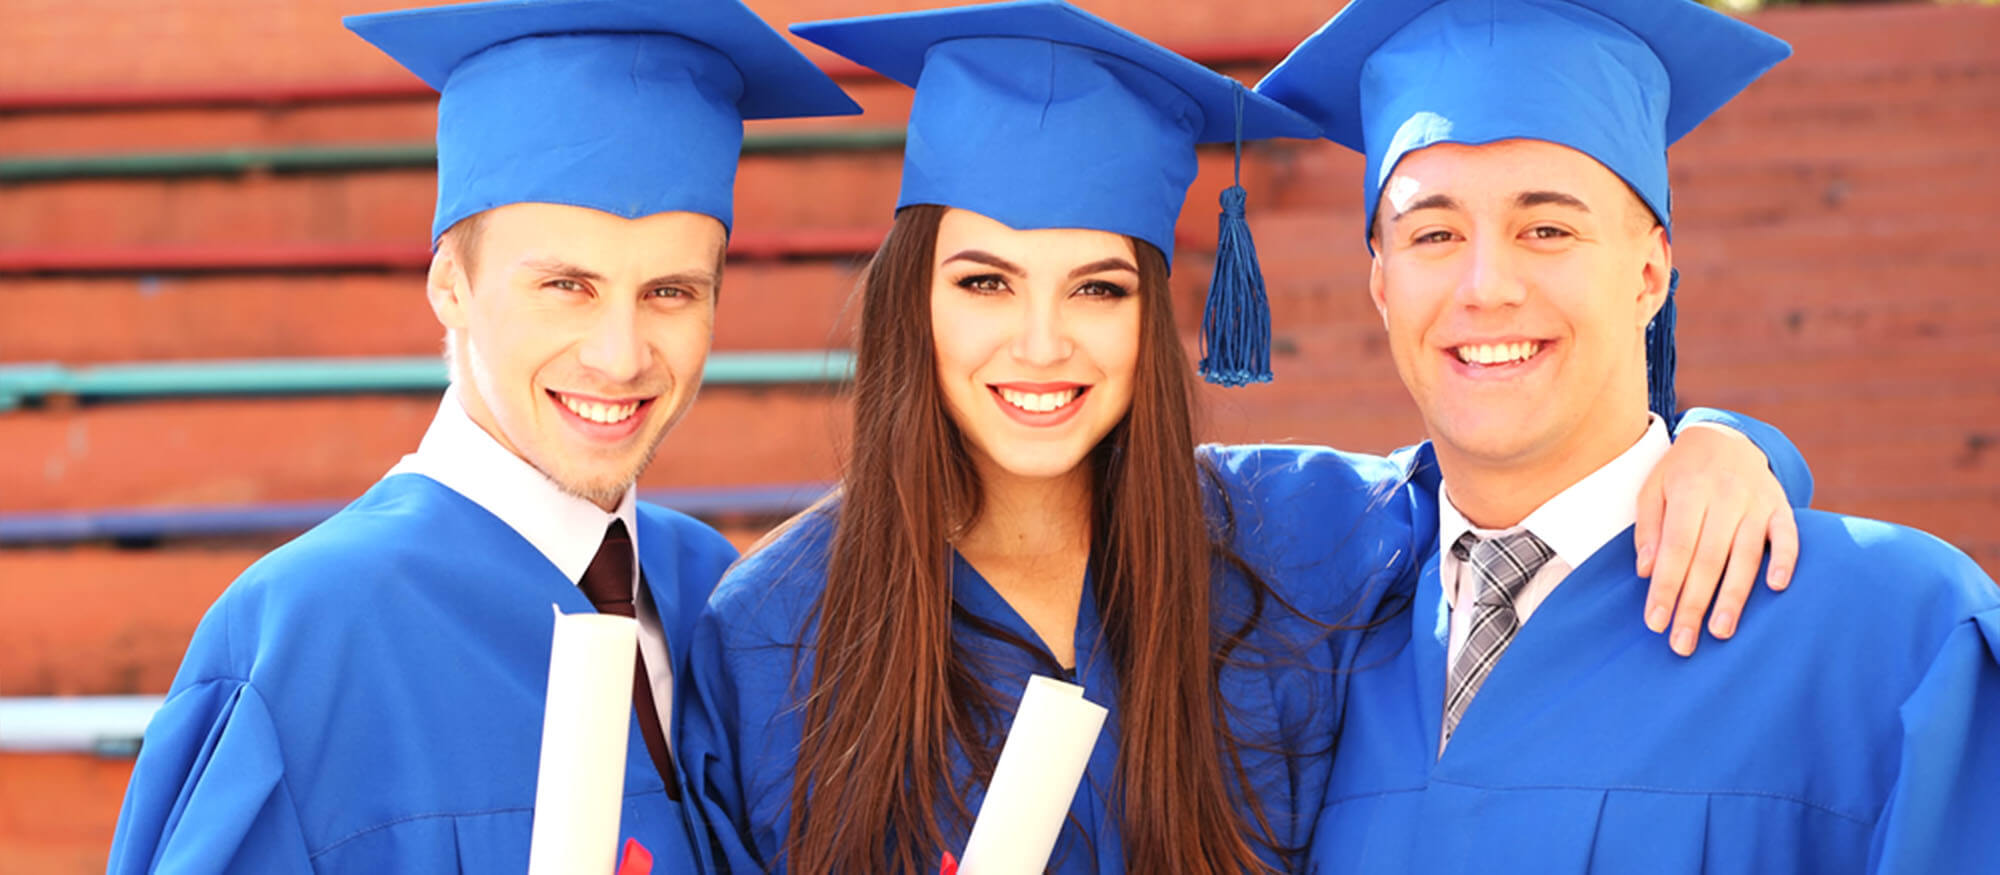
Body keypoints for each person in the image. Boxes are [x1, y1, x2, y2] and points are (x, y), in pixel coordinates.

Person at [683, 2, 1809, 873]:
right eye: (982, 281)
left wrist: (1722, 444)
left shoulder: (1287, 537)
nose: (1039, 344)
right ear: (910, 302)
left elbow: (1526, 477)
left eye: (1097, 288)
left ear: (1151, 316)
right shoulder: (775, 628)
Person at [103, 1, 859, 871]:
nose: (620, 357)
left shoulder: (716, 599)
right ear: (449, 286)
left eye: (670, 292)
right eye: (567, 285)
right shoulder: (304, 638)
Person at [1253, 0, 2000, 871]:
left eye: (1547, 229)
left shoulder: (1893, 634)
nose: (1486, 285)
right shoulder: (1305, 632)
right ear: (1382, 283)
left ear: (1651, 272)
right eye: (1435, 233)